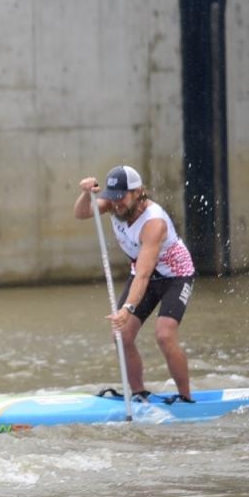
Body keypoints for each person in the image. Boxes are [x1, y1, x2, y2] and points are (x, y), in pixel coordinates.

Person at [74, 165, 196, 402]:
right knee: (122, 335)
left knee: (164, 335)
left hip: (175, 276)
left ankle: (186, 399)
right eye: (112, 197)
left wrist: (127, 308)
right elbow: (82, 213)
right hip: (143, 273)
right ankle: (139, 394)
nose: (115, 203)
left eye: (121, 197)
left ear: (138, 192)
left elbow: (143, 274)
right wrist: (84, 193)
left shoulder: (154, 223)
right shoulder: (113, 204)